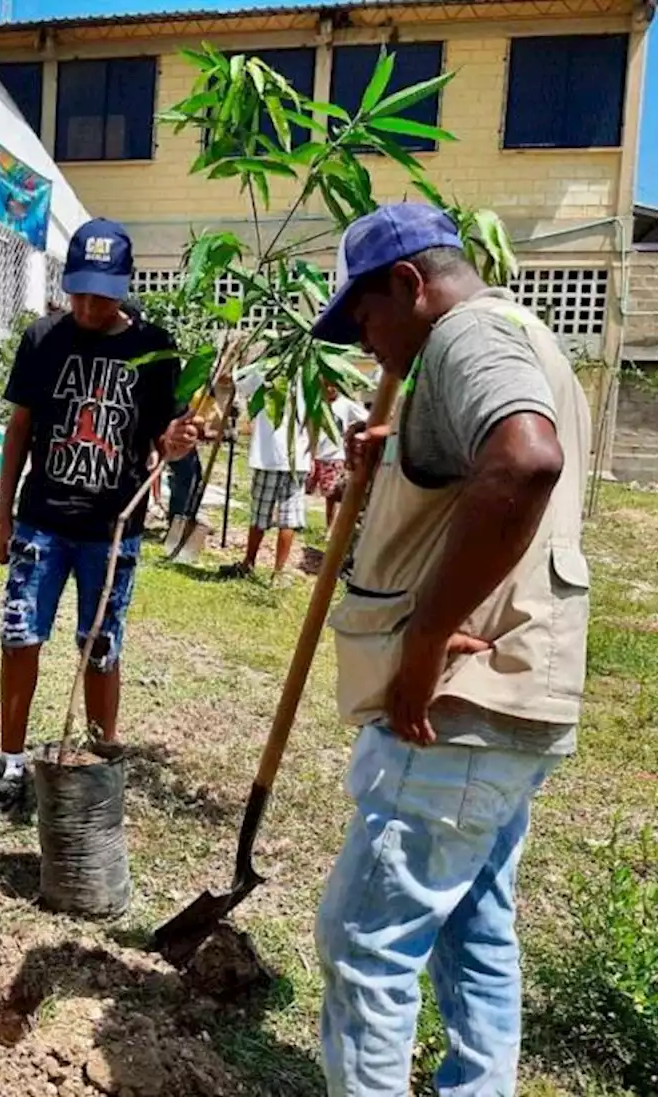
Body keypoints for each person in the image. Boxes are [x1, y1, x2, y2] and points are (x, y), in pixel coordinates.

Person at [311, 203, 590, 1096]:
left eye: (364, 315)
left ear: (409, 284)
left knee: (367, 942)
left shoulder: (465, 338)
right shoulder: (521, 333)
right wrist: (408, 444)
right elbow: (493, 455)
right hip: (517, 705)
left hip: (456, 710)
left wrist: (426, 638)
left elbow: (523, 457)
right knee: (475, 928)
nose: (364, 339)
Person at [0, 218, 199, 827]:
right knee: (20, 635)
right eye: (78, 291)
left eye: (101, 293)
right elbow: (19, 429)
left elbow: (164, 439)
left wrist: (177, 442)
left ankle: (99, 762)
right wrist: (4, 518)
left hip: (112, 531)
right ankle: (11, 764)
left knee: (101, 647)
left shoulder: (155, 347)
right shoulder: (44, 337)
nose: (88, 305)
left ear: (124, 286)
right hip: (41, 522)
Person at [222, 369, 310, 582]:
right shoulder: (309, 374)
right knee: (288, 517)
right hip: (298, 457)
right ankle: (278, 573)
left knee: (261, 514)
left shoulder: (265, 371)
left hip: (269, 455)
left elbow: (231, 381)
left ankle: (249, 563)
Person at [308, 381, 367, 531]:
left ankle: (330, 527)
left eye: (332, 385)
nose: (329, 388)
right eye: (326, 385)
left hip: (334, 455)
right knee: (306, 489)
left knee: (332, 495)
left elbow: (367, 417)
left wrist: (353, 430)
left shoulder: (345, 404)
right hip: (313, 454)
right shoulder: (315, 402)